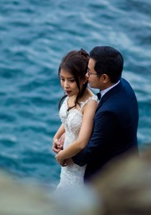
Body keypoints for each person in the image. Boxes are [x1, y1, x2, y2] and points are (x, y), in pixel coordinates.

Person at [53, 46, 139, 183]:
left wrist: (64, 157)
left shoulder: (108, 112)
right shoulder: (122, 85)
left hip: (111, 173)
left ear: (104, 78)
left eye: (89, 72)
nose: (86, 75)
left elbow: (91, 148)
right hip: (127, 158)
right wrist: (64, 133)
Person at [52, 49, 98, 191]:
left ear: (84, 78)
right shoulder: (72, 93)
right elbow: (68, 119)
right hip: (67, 161)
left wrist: (61, 156)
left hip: (77, 165)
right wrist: (57, 136)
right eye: (62, 79)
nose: (65, 85)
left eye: (71, 80)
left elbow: (82, 142)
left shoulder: (90, 103)